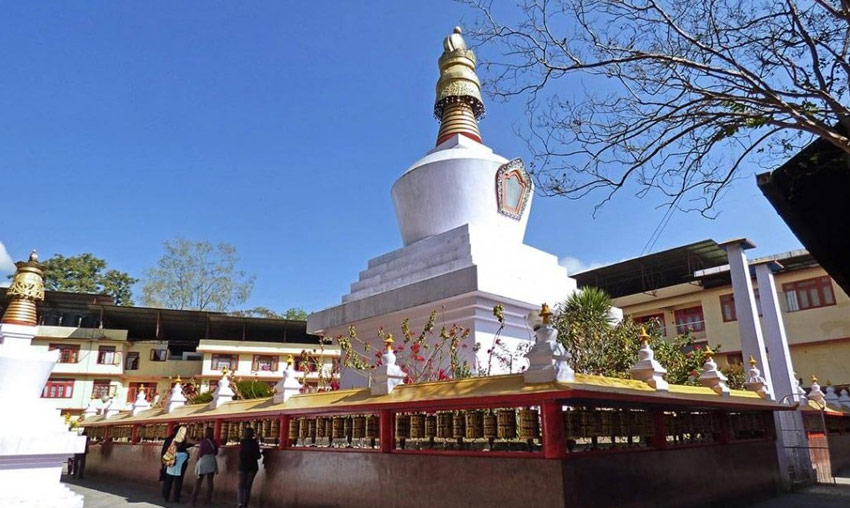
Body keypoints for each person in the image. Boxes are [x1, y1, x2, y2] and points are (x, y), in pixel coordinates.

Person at [161, 426, 192, 503]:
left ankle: (166, 496)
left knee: (169, 479)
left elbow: (166, 449)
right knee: (178, 480)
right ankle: (176, 497)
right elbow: (190, 443)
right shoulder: (183, 440)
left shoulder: (172, 439)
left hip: (172, 459)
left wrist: (164, 462)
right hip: (180, 461)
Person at [190, 427, 218, 507]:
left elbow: (200, 453)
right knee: (210, 482)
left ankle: (193, 501)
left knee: (198, 482)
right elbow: (216, 452)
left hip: (204, 461)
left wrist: (197, 459)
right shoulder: (214, 442)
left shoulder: (203, 442)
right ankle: (208, 501)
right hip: (211, 461)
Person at [237, 427, 262, 508]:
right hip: (252, 467)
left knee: (241, 485)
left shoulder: (243, 442)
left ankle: (240, 502)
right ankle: (245, 504)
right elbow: (258, 456)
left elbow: (240, 454)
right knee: (248, 486)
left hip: (243, 466)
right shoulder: (255, 443)